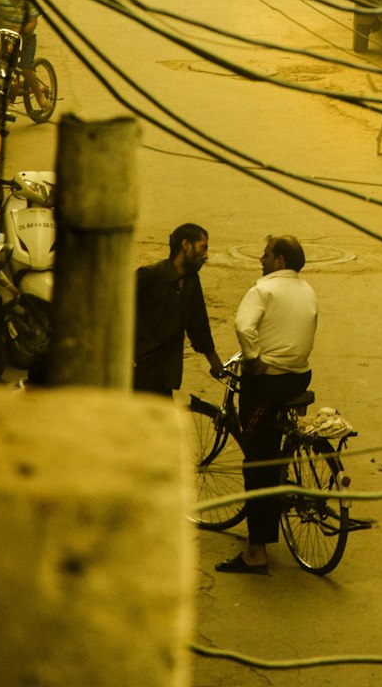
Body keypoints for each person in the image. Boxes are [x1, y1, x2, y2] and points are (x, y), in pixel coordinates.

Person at [215, 233, 318, 576]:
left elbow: (244, 326)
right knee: (270, 446)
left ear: (280, 260)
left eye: (266, 254)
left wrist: (254, 360)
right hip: (299, 376)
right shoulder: (306, 290)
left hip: (269, 382)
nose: (261, 259)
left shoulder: (263, 289)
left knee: (256, 464)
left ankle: (256, 552)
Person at [133, 223, 223, 395]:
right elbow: (114, 307)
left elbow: (199, 326)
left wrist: (216, 364)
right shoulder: (151, 275)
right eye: (203, 248)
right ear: (186, 245)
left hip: (165, 375)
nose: (206, 256)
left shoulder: (191, 281)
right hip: (141, 371)